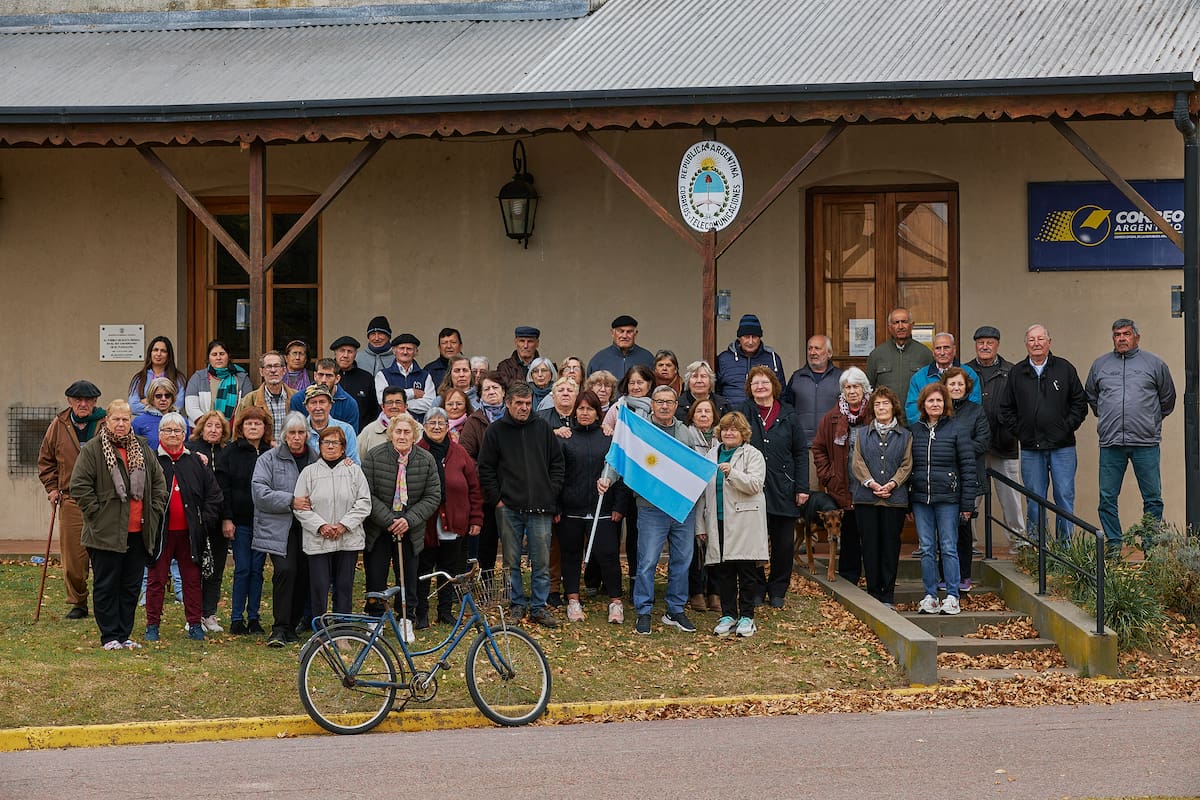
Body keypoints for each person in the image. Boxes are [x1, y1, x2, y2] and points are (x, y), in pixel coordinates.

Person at [600, 385, 701, 636]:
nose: (665, 406)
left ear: (676, 405)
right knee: (646, 561)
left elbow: (693, 466)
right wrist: (607, 478)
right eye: (659, 401)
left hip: (680, 508)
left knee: (682, 560)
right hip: (650, 508)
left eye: (669, 401)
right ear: (651, 404)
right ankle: (643, 610)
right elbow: (619, 455)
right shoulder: (639, 431)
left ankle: (675, 610)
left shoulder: (685, 433)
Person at [70, 399, 167, 650]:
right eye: (117, 419)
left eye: (126, 419)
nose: (121, 424)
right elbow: (79, 487)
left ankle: (124, 635)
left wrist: (154, 512)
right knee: (106, 585)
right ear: (107, 420)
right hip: (106, 533)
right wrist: (97, 515)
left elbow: (158, 485)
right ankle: (110, 636)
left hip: (138, 532)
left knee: (130, 586)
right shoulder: (92, 450)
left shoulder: (143, 449)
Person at [477, 381, 565, 628]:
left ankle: (538, 607)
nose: (524, 408)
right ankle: (516, 605)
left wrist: (551, 492)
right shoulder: (495, 431)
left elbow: (557, 464)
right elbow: (485, 469)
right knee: (510, 562)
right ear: (508, 403)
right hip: (509, 508)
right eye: (519, 404)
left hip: (541, 507)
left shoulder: (543, 428)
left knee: (541, 561)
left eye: (528, 403)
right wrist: (498, 500)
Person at [1085, 318, 1176, 554]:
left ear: (1136, 337)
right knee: (1106, 498)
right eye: (1117, 334)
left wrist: (1150, 420)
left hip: (1145, 443)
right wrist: (1108, 418)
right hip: (1111, 442)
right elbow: (1093, 398)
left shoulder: (1154, 364)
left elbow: (1167, 400)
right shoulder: (1100, 365)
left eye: (1126, 334)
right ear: (1113, 338)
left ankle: (1151, 547)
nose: (1122, 338)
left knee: (1153, 498)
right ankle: (1114, 546)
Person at [997, 324, 1088, 543]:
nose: (1036, 343)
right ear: (1026, 344)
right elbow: (1005, 409)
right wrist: (1022, 432)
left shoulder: (1065, 368)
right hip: (1031, 449)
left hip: (1063, 448)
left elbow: (1080, 404)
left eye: (1040, 339)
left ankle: (1065, 550)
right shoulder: (1017, 372)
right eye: (1031, 339)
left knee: (1064, 498)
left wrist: (1065, 427)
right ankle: (1038, 548)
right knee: (1034, 500)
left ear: (1049, 342)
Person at [145, 412, 223, 642]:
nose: (172, 434)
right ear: (159, 434)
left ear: (185, 434)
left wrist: (203, 521)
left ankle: (194, 624)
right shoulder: (152, 461)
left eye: (177, 430)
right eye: (167, 430)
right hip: (161, 533)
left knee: (191, 580)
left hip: (190, 534)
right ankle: (152, 625)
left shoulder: (196, 462)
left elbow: (214, 495)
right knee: (156, 580)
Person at [360, 413, 442, 634]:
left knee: (408, 574)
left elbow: (433, 496)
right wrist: (389, 520)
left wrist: (408, 520)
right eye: (398, 431)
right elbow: (365, 492)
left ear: (415, 435)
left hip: (410, 528)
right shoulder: (375, 456)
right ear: (391, 434)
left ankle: (406, 617)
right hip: (379, 527)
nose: (402, 436)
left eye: (407, 432)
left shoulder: (426, 460)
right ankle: (374, 618)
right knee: (375, 573)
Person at [741, 365, 810, 607]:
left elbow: (800, 452)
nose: (760, 387)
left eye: (765, 382)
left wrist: (802, 487)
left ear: (774, 386)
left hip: (784, 487)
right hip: (752, 488)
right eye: (755, 383)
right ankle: (757, 588)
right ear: (750, 388)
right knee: (755, 543)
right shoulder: (744, 412)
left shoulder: (789, 415)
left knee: (782, 544)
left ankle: (778, 589)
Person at [558, 391, 629, 623]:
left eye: (590, 409)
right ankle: (573, 600)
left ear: (598, 412)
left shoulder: (608, 438)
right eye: (581, 409)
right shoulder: (565, 439)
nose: (585, 413)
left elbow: (619, 472)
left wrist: (619, 504)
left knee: (608, 555)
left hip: (604, 509)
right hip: (571, 509)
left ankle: (616, 602)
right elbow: (557, 475)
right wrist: (556, 506)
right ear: (574, 412)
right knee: (571, 555)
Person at [696, 411, 768, 638]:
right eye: (726, 429)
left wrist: (732, 473)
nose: (729, 433)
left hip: (744, 522)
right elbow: (702, 493)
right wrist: (701, 526)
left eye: (734, 429)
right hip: (717, 520)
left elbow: (755, 484)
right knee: (724, 572)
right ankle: (728, 615)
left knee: (746, 571)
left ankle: (747, 617)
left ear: (743, 433)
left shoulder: (753, 454)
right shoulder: (711, 455)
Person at [38, 379, 106, 620]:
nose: (83, 404)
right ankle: (78, 602)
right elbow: (46, 461)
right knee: (73, 559)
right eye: (78, 400)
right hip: (70, 500)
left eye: (88, 400)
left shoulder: (105, 422)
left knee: (103, 555)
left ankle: (103, 603)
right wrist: (52, 487)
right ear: (70, 401)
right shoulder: (59, 425)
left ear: (96, 401)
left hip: (102, 501)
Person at [909, 382, 977, 617]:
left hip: (949, 498)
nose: (935, 404)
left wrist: (967, 504)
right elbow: (908, 467)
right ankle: (929, 595)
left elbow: (969, 468)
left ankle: (952, 596)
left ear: (945, 403)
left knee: (948, 547)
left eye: (939, 400)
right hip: (920, 499)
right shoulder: (914, 430)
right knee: (927, 548)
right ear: (923, 404)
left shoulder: (957, 429)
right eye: (930, 401)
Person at [293, 426, 371, 618]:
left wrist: (344, 525)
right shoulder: (309, 473)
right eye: (325, 442)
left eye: (335, 443)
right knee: (319, 587)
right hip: (319, 539)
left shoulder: (354, 471)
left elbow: (364, 502)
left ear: (343, 447)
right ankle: (320, 630)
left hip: (347, 538)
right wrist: (321, 526)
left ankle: (342, 629)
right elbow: (300, 506)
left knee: (344, 586)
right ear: (319, 446)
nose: (330, 447)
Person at [415, 407, 482, 627]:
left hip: (453, 521)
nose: (436, 427)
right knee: (424, 569)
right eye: (431, 423)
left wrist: (475, 518)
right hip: (425, 523)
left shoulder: (459, 453)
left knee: (449, 568)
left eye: (441, 423)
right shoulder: (417, 451)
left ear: (447, 427)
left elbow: (474, 488)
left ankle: (445, 611)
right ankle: (421, 612)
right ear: (424, 427)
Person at [252, 411, 313, 647]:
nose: (296, 437)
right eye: (292, 433)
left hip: (307, 527)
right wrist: (291, 500)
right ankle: (279, 627)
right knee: (285, 571)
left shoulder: (315, 458)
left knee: (303, 574)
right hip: (280, 528)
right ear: (284, 435)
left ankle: (292, 625)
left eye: (301, 433)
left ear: (306, 435)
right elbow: (259, 493)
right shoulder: (268, 459)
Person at [850, 387, 911, 606]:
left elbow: (907, 464)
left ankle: (887, 594)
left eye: (885, 403)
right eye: (877, 404)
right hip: (866, 499)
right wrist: (872, 483)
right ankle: (873, 592)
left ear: (893, 407)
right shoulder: (861, 434)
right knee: (870, 546)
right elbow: (857, 463)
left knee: (890, 546)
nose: (882, 407)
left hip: (894, 500)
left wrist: (893, 483)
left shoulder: (905, 436)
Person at [216, 405, 273, 635]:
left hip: (264, 521)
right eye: (248, 423)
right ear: (240, 427)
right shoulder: (230, 453)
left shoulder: (271, 452)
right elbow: (223, 488)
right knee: (243, 569)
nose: (253, 427)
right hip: (240, 521)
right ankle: (237, 617)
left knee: (257, 570)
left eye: (257, 423)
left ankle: (254, 617)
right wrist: (227, 518)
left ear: (264, 427)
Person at [812, 367, 870, 583]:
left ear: (864, 389)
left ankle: (871, 577)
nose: (852, 391)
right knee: (850, 533)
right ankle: (849, 577)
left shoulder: (874, 412)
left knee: (870, 533)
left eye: (856, 386)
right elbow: (818, 448)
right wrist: (829, 475)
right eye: (847, 387)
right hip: (843, 484)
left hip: (870, 486)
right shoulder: (832, 417)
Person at [966, 326, 1023, 549]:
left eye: (990, 342)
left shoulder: (1012, 371)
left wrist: (1013, 431)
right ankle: (968, 544)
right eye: (981, 342)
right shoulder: (966, 371)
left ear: (997, 344)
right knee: (970, 498)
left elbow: (1020, 407)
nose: (985, 346)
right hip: (973, 447)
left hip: (1005, 444)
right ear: (975, 345)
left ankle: (1018, 543)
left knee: (1011, 499)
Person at [942, 367, 990, 591]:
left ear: (967, 387)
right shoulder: (939, 410)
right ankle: (945, 576)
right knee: (943, 530)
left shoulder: (976, 411)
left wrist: (954, 447)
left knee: (963, 527)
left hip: (969, 477)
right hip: (943, 478)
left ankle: (964, 576)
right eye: (952, 384)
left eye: (960, 384)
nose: (956, 388)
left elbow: (982, 442)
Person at [187, 410, 230, 633]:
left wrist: (227, 518)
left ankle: (209, 613)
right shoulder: (190, 450)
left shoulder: (227, 452)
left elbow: (228, 489)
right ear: (201, 428)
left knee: (216, 568)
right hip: (196, 520)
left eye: (218, 426)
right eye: (209, 426)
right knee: (194, 568)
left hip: (220, 520)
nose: (213, 430)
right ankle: (193, 614)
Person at [459, 372, 506, 569]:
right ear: (480, 395)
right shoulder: (474, 422)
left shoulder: (515, 418)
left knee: (512, 544)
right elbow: (466, 456)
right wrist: (489, 476)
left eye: (495, 388)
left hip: (513, 491)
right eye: (486, 388)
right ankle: (487, 586)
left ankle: (511, 587)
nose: (491, 392)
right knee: (486, 545)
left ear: (504, 392)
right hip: (485, 493)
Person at [685, 397, 722, 612]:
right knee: (695, 549)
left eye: (708, 411)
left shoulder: (721, 438)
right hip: (693, 500)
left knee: (715, 546)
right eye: (699, 411)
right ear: (692, 415)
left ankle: (715, 592)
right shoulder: (687, 436)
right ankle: (697, 591)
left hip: (715, 500)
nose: (704, 415)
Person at [904, 332, 982, 424]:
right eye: (938, 348)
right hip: (928, 432)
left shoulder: (968, 374)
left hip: (961, 431)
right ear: (933, 351)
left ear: (954, 350)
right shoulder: (919, 377)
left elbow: (974, 406)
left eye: (946, 348)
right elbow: (912, 411)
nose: (942, 353)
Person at [865, 307, 933, 411]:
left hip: (916, 418)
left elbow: (933, 389)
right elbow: (868, 390)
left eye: (904, 322)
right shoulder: (876, 355)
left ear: (912, 325)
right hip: (886, 418)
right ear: (889, 327)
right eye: (896, 322)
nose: (900, 326)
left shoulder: (925, 354)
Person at [716, 313, 786, 406]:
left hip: (763, 417)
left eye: (754, 337)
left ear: (760, 338)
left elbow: (781, 393)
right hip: (732, 416)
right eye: (746, 336)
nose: (750, 341)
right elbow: (716, 392)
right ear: (739, 338)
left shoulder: (772, 359)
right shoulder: (724, 359)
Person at [785, 335, 843, 448]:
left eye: (817, 348)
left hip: (833, 445)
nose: (812, 352)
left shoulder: (841, 378)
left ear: (829, 353)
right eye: (810, 348)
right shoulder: (796, 378)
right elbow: (787, 409)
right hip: (802, 445)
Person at [184, 339, 252, 424]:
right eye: (214, 354)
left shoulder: (242, 379)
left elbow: (247, 408)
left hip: (233, 431)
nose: (218, 358)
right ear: (209, 358)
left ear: (228, 356)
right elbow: (191, 408)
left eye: (222, 354)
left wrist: (228, 427)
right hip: (202, 431)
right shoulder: (198, 377)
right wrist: (209, 426)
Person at [238, 350, 296, 444]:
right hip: (260, 454)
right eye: (269, 367)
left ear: (284, 370)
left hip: (291, 454)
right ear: (261, 371)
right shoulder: (249, 400)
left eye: (277, 366)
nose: (273, 370)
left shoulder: (296, 398)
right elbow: (238, 433)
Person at [290, 357, 361, 431]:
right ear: (315, 376)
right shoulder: (298, 399)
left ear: (337, 379)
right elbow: (295, 433)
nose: (324, 380)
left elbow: (350, 436)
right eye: (320, 375)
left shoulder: (349, 404)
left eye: (329, 376)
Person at [330, 335, 380, 433]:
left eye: (350, 351)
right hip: (328, 436)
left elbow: (373, 411)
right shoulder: (325, 376)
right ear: (335, 353)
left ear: (355, 354)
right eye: (342, 350)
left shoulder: (366, 378)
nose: (345, 355)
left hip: (359, 435)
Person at [374, 333, 430, 418]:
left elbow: (430, 404)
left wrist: (401, 404)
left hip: (418, 427)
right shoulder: (382, 375)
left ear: (416, 352)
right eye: (401, 348)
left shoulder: (425, 376)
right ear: (394, 350)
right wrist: (411, 393)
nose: (405, 352)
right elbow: (382, 401)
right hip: (390, 427)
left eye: (409, 349)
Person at [127, 336, 185, 416]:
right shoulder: (139, 378)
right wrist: (162, 408)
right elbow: (133, 407)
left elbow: (178, 405)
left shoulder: (178, 378)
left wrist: (149, 401)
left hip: (169, 424)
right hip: (146, 424)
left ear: (168, 355)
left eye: (163, 351)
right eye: (155, 350)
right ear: (150, 353)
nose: (158, 354)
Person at [303, 384, 360, 465]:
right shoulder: (299, 431)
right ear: (306, 407)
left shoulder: (346, 430)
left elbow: (355, 465)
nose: (318, 407)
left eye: (322, 402)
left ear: (330, 405)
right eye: (313, 403)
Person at [587, 314, 655, 378]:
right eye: (621, 331)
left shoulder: (647, 358)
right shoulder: (598, 359)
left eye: (629, 332)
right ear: (612, 333)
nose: (624, 336)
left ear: (635, 334)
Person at [133, 377, 191, 450]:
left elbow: (188, 447)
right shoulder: (139, 422)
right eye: (158, 396)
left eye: (167, 396)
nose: (163, 399)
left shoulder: (183, 421)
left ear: (172, 398)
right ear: (151, 398)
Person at [359, 386, 407, 462]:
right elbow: (358, 460)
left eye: (398, 402)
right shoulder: (368, 431)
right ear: (382, 407)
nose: (394, 406)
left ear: (405, 406)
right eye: (389, 402)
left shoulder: (417, 430)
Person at [602, 364, 655, 433]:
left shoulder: (656, 407)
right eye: (632, 383)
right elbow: (605, 428)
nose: (635, 387)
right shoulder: (618, 407)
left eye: (640, 383)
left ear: (649, 384)